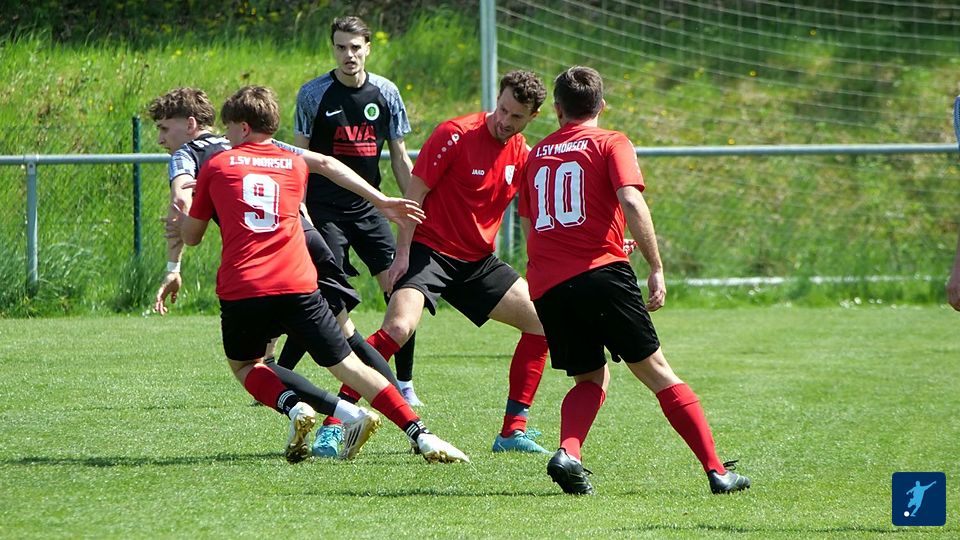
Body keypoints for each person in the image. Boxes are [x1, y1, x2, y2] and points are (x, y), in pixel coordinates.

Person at [178, 85, 468, 464]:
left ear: (243, 127)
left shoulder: (217, 166)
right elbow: (318, 175)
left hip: (244, 286)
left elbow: (192, 236)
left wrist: (181, 215)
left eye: (229, 129)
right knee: (349, 365)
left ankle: (295, 407)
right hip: (298, 281)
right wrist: (381, 201)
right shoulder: (294, 164)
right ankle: (421, 434)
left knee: (248, 365)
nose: (226, 137)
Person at [517, 66, 750, 495]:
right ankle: (717, 471)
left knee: (590, 378)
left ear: (557, 110)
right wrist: (655, 266)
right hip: (601, 274)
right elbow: (631, 199)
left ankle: (568, 453)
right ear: (601, 106)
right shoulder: (612, 142)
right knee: (659, 374)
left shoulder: (535, 156)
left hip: (549, 285)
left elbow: (535, 224)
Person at [329, 70, 553, 456]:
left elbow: (543, 211)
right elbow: (413, 197)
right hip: (429, 251)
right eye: (502, 109)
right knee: (398, 328)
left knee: (542, 322)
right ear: (497, 99)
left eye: (516, 116)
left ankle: (512, 432)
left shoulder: (522, 154)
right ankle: (336, 422)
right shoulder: (455, 133)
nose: (505, 120)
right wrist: (402, 255)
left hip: (476, 262)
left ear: (532, 116)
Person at [294, 16, 421, 406]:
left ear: (368, 47)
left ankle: (405, 384)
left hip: (369, 208)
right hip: (324, 210)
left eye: (355, 47)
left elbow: (399, 157)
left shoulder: (387, 92)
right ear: (333, 49)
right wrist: (300, 208)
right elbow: (300, 158)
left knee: (401, 288)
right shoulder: (313, 94)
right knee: (328, 295)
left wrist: (412, 205)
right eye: (340, 47)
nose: (348, 54)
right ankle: (283, 369)